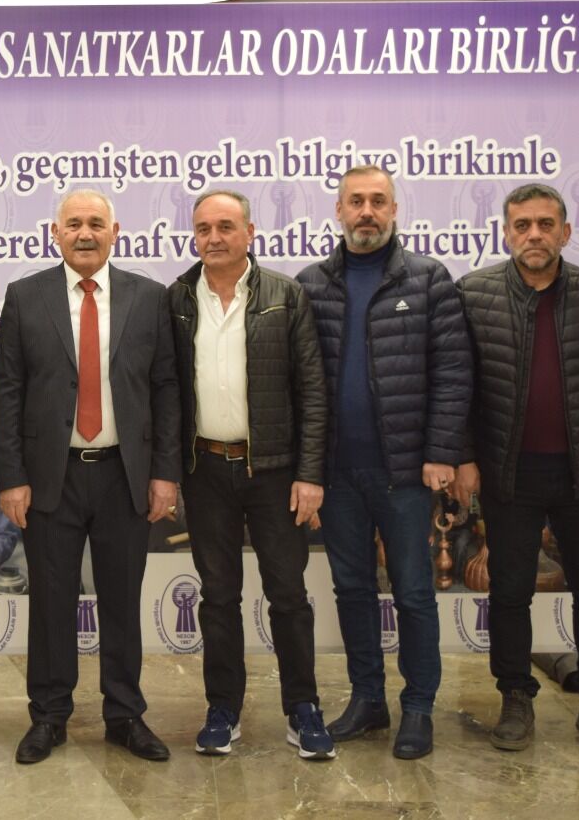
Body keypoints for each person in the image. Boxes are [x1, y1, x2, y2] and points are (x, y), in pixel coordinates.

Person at [0, 189, 180, 765]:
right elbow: (7, 391)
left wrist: (165, 474)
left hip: (125, 475)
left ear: (114, 232)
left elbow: (166, 389)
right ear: (56, 234)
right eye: (73, 223)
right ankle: (48, 717)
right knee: (52, 601)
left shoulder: (149, 298)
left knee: (122, 599)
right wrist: (11, 477)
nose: (84, 233)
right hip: (53, 476)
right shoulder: (25, 297)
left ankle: (125, 715)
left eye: (96, 223)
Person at [296, 165, 471, 760]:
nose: (366, 211)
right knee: (351, 590)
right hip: (337, 474)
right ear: (339, 211)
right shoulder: (311, 284)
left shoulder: (427, 278)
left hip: (405, 474)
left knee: (414, 592)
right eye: (356, 202)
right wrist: (307, 468)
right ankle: (368, 699)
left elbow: (453, 371)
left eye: (378, 201)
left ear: (394, 210)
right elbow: (300, 382)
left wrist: (441, 452)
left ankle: (418, 706)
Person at [454, 183, 579, 754]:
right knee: (509, 591)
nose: (534, 234)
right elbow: (459, 387)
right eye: (522, 225)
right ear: (506, 233)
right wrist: (463, 456)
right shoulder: (474, 292)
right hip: (508, 473)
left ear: (565, 232)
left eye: (545, 224)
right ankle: (515, 695)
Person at [166, 190, 333, 760]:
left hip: (275, 473)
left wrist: (310, 474)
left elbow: (312, 392)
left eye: (225, 227)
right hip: (205, 470)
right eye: (203, 228)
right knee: (217, 596)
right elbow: (167, 392)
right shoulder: (177, 299)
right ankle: (223, 710)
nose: (213, 238)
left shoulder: (286, 296)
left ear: (250, 233)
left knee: (288, 594)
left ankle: (303, 708)